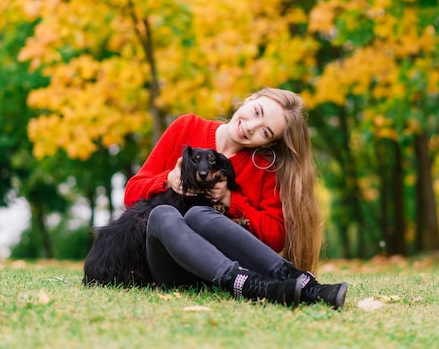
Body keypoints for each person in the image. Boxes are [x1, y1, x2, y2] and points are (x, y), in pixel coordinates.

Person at [124, 87, 348, 308]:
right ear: (250, 99)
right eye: (257, 111)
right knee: (163, 214)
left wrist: (231, 200)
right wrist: (168, 179)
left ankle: (302, 283)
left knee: (199, 214)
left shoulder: (263, 167)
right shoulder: (187, 127)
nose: (251, 127)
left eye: (265, 132)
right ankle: (247, 283)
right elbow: (131, 195)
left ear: (268, 143)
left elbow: (275, 236)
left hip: (215, 275)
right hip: (171, 268)